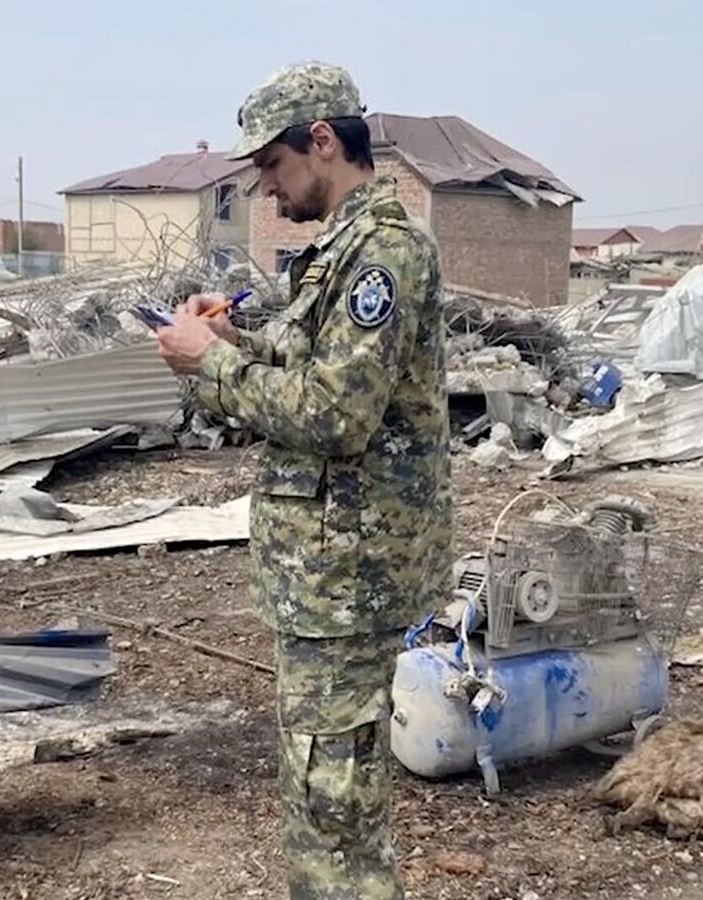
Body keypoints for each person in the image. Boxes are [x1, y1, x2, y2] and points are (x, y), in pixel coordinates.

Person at [156, 61, 450, 900]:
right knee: (324, 794)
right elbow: (305, 363)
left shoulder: (383, 254)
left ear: (322, 141)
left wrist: (211, 367)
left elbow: (336, 416)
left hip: (350, 573)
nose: (269, 192)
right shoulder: (342, 251)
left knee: (336, 808)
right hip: (326, 575)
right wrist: (223, 344)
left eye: (274, 168)